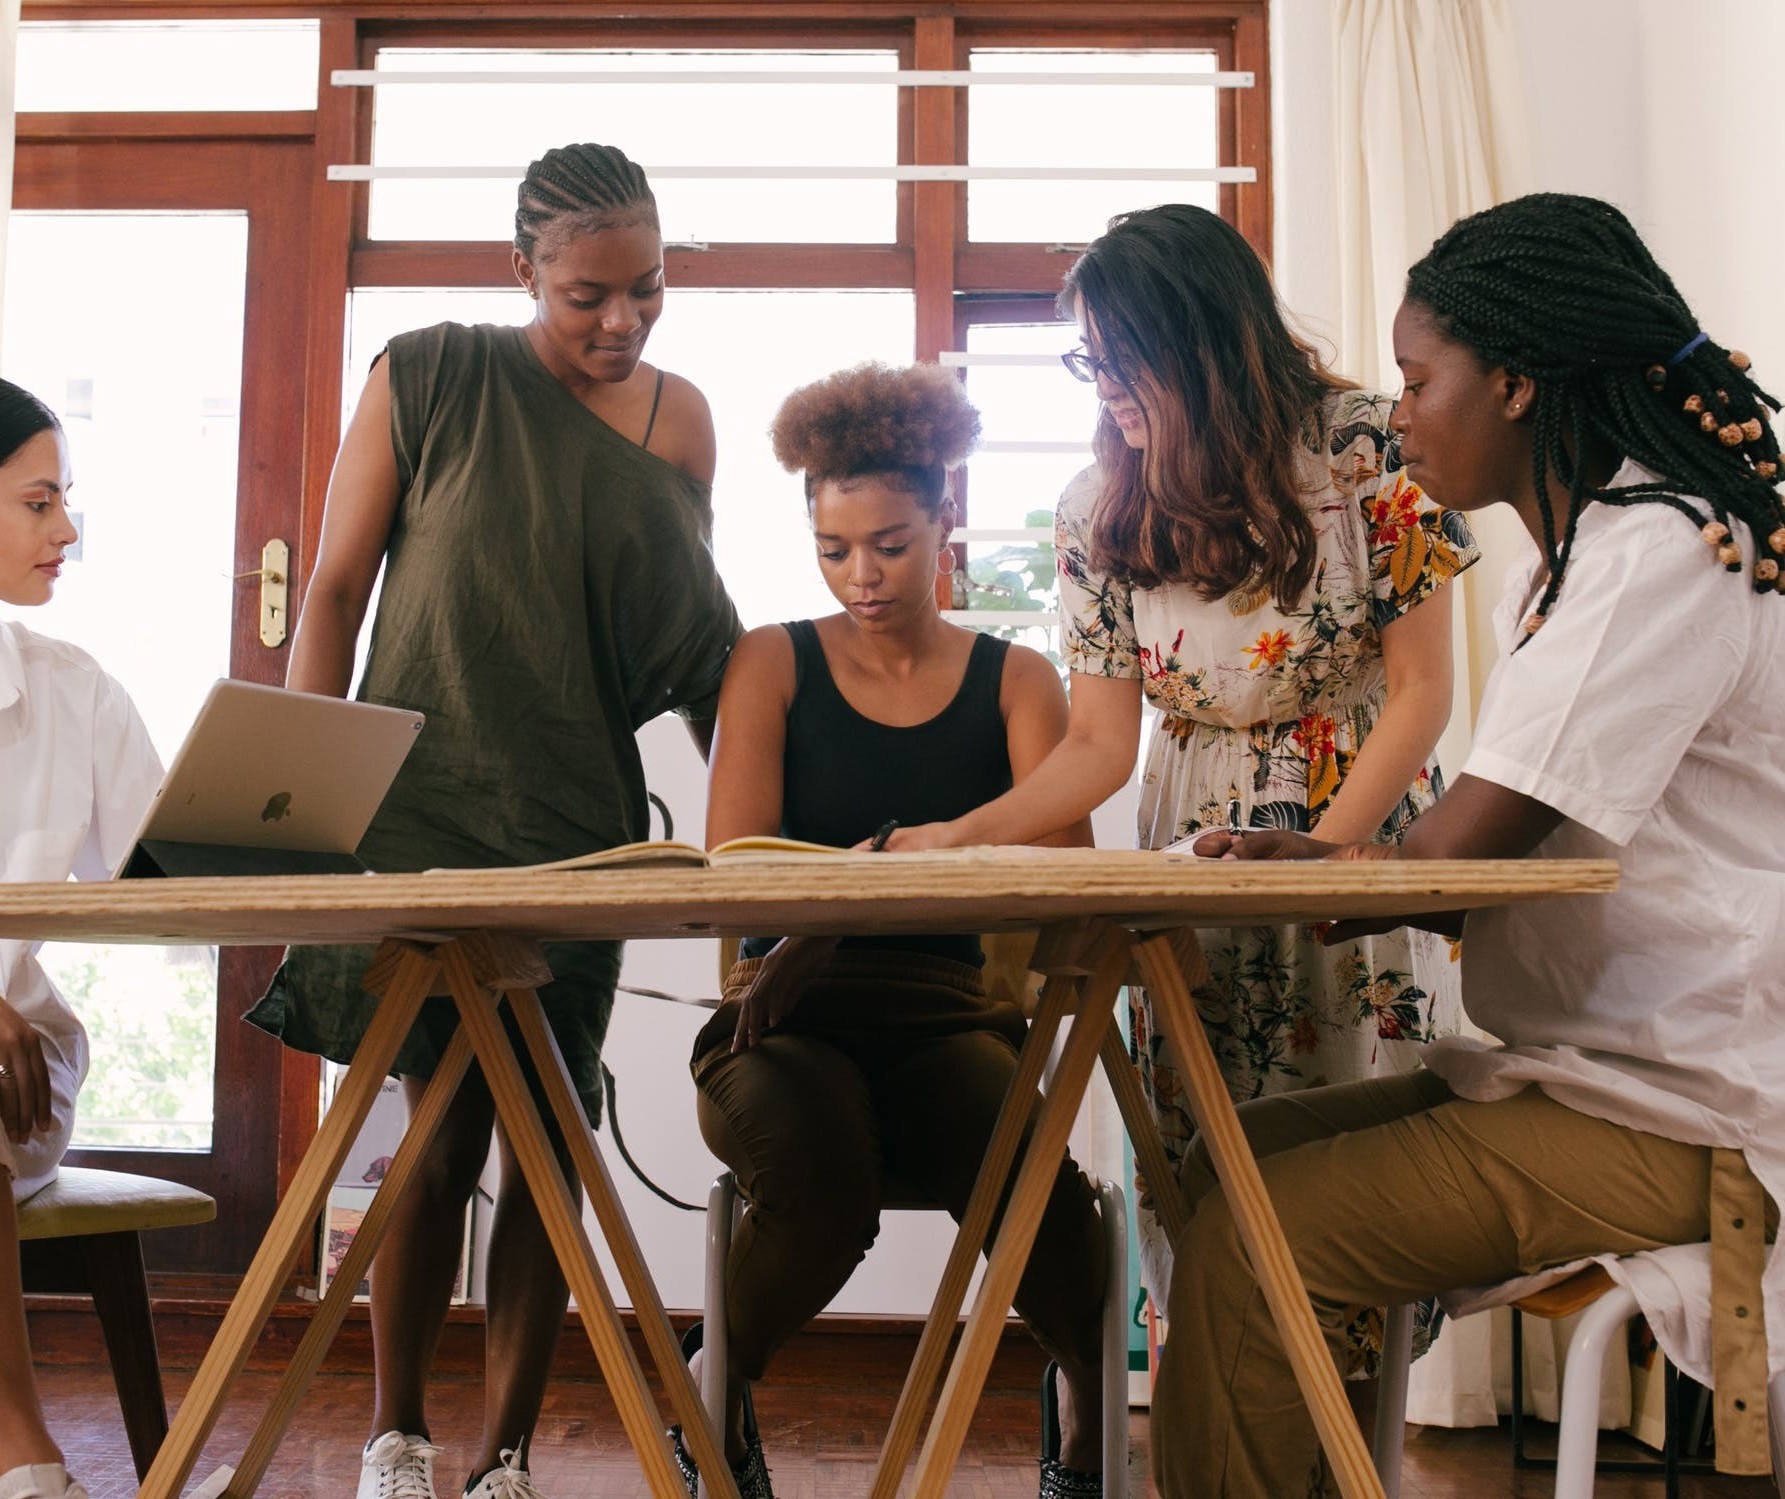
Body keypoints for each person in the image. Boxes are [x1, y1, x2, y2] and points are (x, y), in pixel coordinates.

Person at [1153, 192, 1785, 1498]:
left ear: (1511, 384)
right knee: (1225, 1155)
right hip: (1599, 1069)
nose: (1398, 415)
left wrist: (1332, 871)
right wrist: (1349, 870)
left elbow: (1469, 857)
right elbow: (1464, 863)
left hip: (1689, 1106)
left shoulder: (1657, 553)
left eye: (1417, 379)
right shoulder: (1614, 548)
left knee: (1261, 1231)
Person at [879, 204, 1480, 1331]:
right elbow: (1102, 746)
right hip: (1193, 835)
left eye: (1121, 358)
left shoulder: (1370, 447)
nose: (1101, 384)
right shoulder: (1097, 507)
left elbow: (1422, 691)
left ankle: (1352, 1446)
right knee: (1197, 1156)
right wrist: (961, 831)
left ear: (1203, 339)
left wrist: (1325, 853)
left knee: (1366, 1160)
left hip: (1353, 822)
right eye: (1087, 358)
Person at [245, 143, 741, 1499]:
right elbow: (337, 589)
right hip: (421, 809)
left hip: (578, 823)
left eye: (645, 288)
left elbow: (699, 647)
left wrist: (763, 833)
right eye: (587, 293)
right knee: (439, 1123)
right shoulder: (428, 371)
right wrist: (298, 803)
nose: (621, 320)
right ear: (522, 270)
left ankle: (506, 1452)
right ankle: (394, 1436)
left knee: (547, 1133)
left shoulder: (680, 421)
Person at [686, 362, 1108, 1499]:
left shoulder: (1021, 680)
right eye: (835, 549)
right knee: (826, 1183)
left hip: (945, 1021)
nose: (862, 576)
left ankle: (1077, 1415)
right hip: (783, 1020)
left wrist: (869, 880)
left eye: (890, 543)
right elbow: (737, 883)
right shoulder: (770, 661)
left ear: (945, 521)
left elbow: (1060, 881)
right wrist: (879, 874)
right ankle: (706, 1392)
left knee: (1054, 1215)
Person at [0, 382, 164, 1499]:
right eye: (38, 502)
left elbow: (166, 878)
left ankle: (20, 1452)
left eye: (67, 503)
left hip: (15, 1069)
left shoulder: (74, 692)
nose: (67, 533)